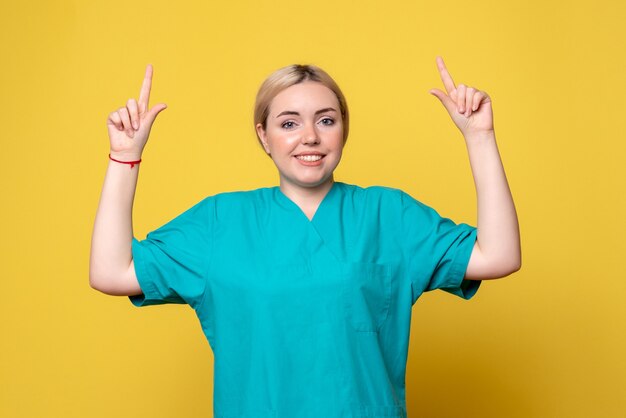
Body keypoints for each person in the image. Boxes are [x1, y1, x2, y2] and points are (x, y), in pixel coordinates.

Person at [90, 57, 521, 417]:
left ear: (343, 129)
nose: (309, 137)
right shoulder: (220, 222)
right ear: (264, 136)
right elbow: (112, 272)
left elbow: (498, 255)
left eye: (326, 120)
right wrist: (125, 157)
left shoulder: (388, 215)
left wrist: (480, 138)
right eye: (289, 123)